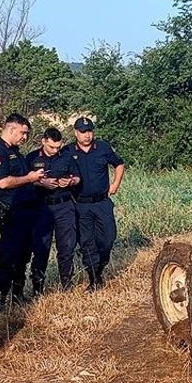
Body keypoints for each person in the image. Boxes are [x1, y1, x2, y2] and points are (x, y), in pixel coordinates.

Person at [0, 114, 46, 306]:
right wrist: (30, 178)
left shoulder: (16, 152)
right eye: (23, 133)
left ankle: (18, 295)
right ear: (11, 129)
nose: (25, 137)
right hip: (11, 213)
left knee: (23, 256)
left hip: (27, 211)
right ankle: (1, 297)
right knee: (9, 256)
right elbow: (3, 182)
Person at [67, 117, 124, 291]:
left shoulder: (103, 148)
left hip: (102, 202)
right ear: (76, 132)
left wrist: (115, 184)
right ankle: (94, 279)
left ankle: (99, 266)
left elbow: (119, 164)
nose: (87, 135)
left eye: (89, 131)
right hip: (81, 204)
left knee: (108, 239)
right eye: (83, 132)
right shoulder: (68, 151)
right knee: (87, 242)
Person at [26, 128, 81, 293]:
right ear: (43, 141)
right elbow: (24, 181)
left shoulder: (66, 157)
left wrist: (70, 182)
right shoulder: (31, 158)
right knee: (41, 248)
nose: (55, 150)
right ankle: (38, 288)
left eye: (58, 147)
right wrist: (41, 183)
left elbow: (77, 177)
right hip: (42, 207)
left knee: (67, 247)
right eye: (51, 147)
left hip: (64, 206)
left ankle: (66, 285)